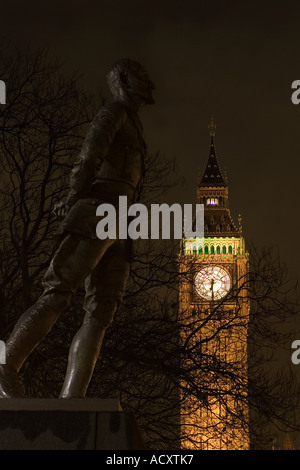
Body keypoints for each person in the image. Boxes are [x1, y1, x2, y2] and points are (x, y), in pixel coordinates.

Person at [0, 58, 155, 398]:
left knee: (101, 313)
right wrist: (73, 197)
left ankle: (72, 399)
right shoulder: (113, 113)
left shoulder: (133, 124)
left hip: (120, 223)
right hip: (98, 213)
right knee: (59, 290)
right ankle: (6, 364)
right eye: (143, 83)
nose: (148, 92)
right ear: (126, 82)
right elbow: (89, 156)